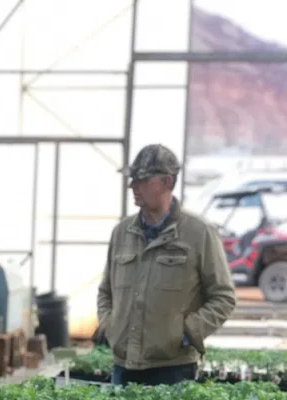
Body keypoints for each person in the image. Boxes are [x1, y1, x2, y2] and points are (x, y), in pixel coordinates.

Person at [97, 144, 236, 386]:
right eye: (132, 180)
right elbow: (105, 291)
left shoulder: (199, 233)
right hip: (123, 365)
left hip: (173, 370)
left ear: (167, 182)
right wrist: (111, 327)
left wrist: (189, 331)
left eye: (141, 180)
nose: (132, 187)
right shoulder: (122, 233)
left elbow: (223, 296)